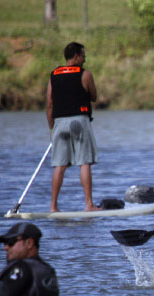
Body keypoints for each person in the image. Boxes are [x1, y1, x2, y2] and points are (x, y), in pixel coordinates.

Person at [46, 42, 99, 212]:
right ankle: (89, 204)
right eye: (83, 56)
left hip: (59, 123)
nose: (84, 60)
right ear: (76, 56)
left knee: (59, 165)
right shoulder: (85, 74)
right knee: (84, 162)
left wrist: (51, 129)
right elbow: (94, 96)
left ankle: (53, 207)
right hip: (79, 121)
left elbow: (49, 104)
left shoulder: (53, 75)